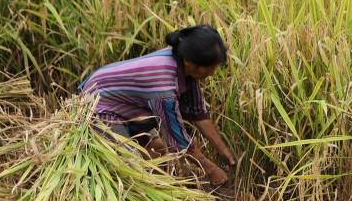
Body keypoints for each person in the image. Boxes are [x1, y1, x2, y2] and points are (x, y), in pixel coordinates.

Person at [78, 24, 236, 185]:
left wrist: (224, 152)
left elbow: (199, 113)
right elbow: (175, 137)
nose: (212, 72)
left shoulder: (183, 65)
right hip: (100, 105)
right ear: (189, 61)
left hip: (130, 108)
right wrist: (210, 169)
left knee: (161, 153)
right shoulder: (163, 84)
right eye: (210, 67)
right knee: (135, 168)